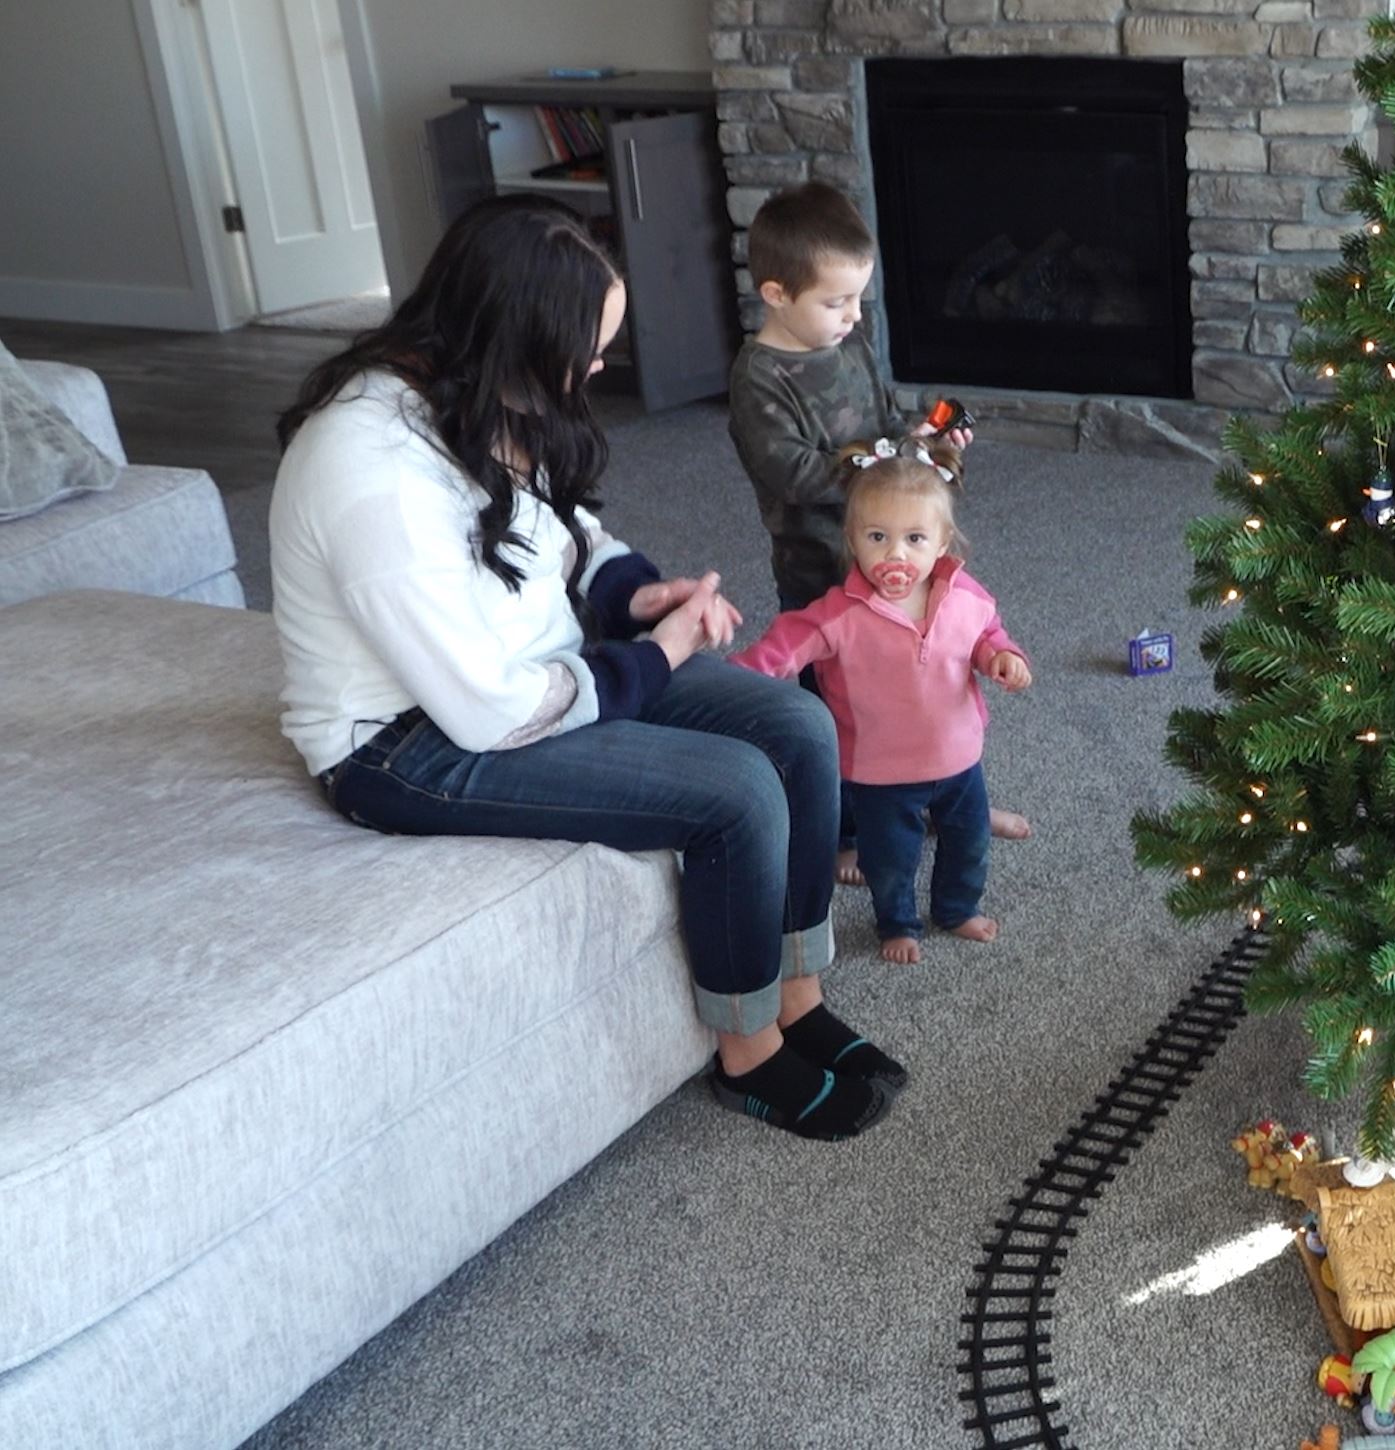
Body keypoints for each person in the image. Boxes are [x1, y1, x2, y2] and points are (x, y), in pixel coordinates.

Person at [269, 194, 902, 1143]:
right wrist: (655, 659)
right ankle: (749, 1055)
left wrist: (636, 594)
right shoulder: (373, 473)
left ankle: (797, 995)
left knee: (797, 727)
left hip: (526, 669)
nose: (600, 366)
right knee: (735, 790)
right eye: (589, 347)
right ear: (513, 335)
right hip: (410, 744)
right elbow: (490, 712)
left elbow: (563, 531)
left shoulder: (474, 395)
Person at [725, 180, 1031, 882]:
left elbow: (883, 423)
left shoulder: (852, 343)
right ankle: (843, 829)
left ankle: (951, 799)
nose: (851, 315)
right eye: (834, 302)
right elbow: (794, 475)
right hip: (824, 568)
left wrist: (916, 438)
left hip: (902, 558)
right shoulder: (761, 379)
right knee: (836, 710)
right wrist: (881, 461)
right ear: (775, 294)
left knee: (929, 685)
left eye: (857, 298)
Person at [732, 439, 1032, 965]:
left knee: (969, 844)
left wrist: (1002, 657)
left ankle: (957, 908)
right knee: (889, 861)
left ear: (943, 543)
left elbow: (989, 636)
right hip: (878, 772)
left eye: (915, 538)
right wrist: (732, 681)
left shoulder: (967, 598)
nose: (896, 554)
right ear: (852, 540)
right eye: (878, 537)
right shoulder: (838, 615)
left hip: (959, 759)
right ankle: (897, 923)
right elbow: (784, 648)